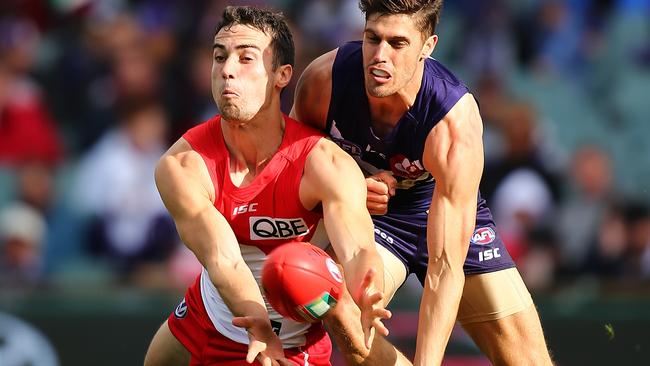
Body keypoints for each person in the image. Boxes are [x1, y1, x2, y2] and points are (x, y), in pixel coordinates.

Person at [291, 0, 553, 364]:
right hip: (372, 217)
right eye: (372, 39)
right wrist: (348, 184)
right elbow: (291, 170)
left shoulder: (452, 120)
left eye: (398, 44)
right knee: (341, 307)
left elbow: (444, 269)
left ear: (427, 47)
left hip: (439, 210)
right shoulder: (324, 80)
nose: (380, 56)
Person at [143, 6, 391, 366]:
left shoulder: (324, 163)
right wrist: (258, 324)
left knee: (359, 342)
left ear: (281, 75)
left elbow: (356, 249)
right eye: (219, 56)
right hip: (214, 317)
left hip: (296, 340)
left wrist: (368, 287)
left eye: (246, 58)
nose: (227, 70)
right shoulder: (181, 165)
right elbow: (222, 259)